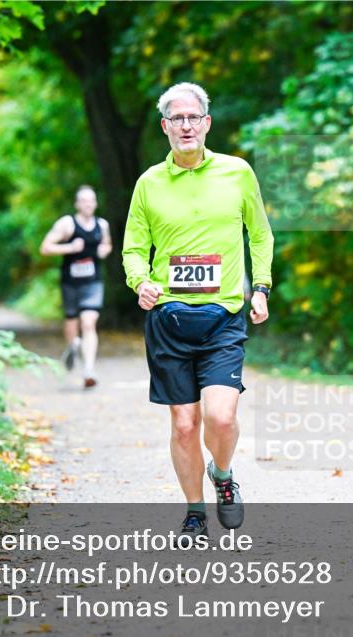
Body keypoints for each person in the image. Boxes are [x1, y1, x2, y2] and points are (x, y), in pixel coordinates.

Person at [122, 82, 274, 544]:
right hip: (169, 320)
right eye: (176, 119)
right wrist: (140, 281)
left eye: (194, 118)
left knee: (221, 418)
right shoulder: (149, 182)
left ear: (206, 123)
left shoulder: (237, 173)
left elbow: (260, 235)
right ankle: (193, 512)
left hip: (223, 317)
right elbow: (133, 248)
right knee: (184, 424)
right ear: (165, 126)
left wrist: (262, 287)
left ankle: (223, 476)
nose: (185, 126)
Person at [39, 185, 113, 389]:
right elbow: (45, 247)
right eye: (84, 200)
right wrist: (69, 247)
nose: (88, 204)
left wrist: (103, 251)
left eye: (92, 200)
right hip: (70, 283)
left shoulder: (102, 225)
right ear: (77, 204)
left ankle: (89, 369)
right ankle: (73, 346)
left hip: (93, 282)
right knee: (72, 321)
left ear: (95, 203)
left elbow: (107, 244)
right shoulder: (67, 224)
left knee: (89, 322)